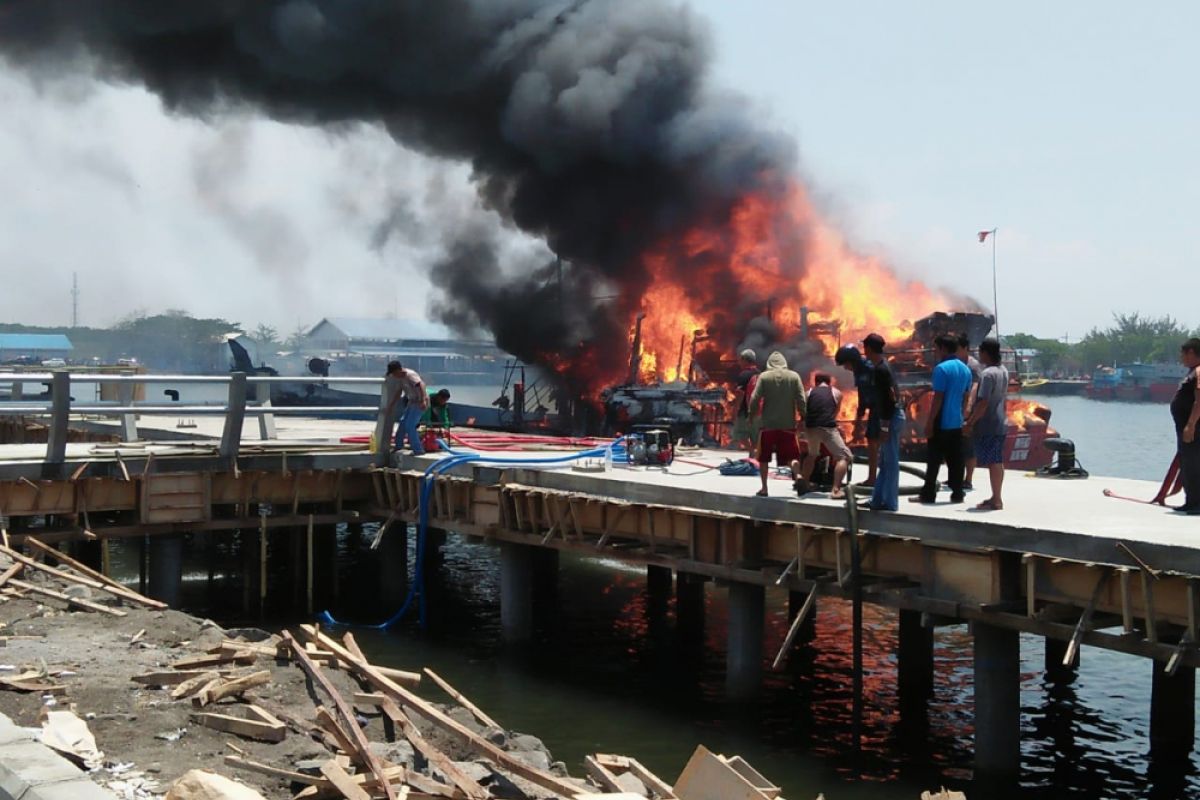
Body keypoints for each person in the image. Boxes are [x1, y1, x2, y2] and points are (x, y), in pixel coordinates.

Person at [912, 334, 973, 504]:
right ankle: (958, 493)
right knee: (956, 459)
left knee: (933, 459)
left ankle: (928, 494)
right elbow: (966, 397)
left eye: (936, 348)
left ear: (944, 349)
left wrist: (930, 422)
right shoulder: (965, 369)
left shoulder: (941, 369)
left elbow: (938, 397)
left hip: (941, 420)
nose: (935, 352)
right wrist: (962, 416)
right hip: (956, 421)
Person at [749, 351, 806, 497]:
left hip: (768, 426)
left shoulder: (764, 376)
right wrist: (804, 416)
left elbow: (755, 398)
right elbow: (801, 399)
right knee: (792, 456)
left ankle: (764, 488)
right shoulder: (794, 376)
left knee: (763, 458)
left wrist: (751, 414)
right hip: (788, 426)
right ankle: (798, 475)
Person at [964, 338, 1008, 510]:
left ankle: (996, 499)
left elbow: (983, 403)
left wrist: (970, 422)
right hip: (1000, 421)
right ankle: (995, 497)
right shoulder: (1003, 370)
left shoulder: (988, 374)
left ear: (985, 353)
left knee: (994, 462)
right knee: (996, 460)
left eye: (980, 351)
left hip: (989, 424)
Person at [864, 333, 904, 511]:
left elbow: (889, 398)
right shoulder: (884, 366)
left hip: (890, 418)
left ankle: (890, 503)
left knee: (891, 461)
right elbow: (896, 391)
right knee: (885, 461)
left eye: (865, 347)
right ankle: (877, 500)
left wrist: (885, 425)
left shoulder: (881, 370)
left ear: (869, 349)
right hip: (890, 416)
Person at [799, 373, 853, 499]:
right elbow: (834, 414)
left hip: (811, 428)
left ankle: (804, 483)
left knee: (812, 455)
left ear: (816, 382)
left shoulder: (808, 393)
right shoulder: (837, 393)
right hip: (827, 428)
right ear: (829, 382)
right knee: (844, 457)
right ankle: (836, 490)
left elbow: (804, 412)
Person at [835, 344, 878, 485]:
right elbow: (862, 396)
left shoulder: (868, 369)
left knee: (875, 444)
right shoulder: (859, 370)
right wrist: (859, 420)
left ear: (851, 361)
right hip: (874, 410)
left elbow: (871, 394)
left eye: (845, 365)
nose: (845, 368)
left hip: (881, 410)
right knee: (872, 443)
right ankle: (873, 478)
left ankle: (873, 479)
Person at [1171, 338, 1200, 514]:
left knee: (1195, 464)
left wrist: (1190, 425)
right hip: (1185, 429)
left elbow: (1199, 401)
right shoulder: (1192, 372)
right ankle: (1190, 501)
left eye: (1183, 354)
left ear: (1191, 353)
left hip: (1195, 429)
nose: (1181, 358)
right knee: (1187, 465)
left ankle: (1197, 503)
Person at [956, 333, 983, 491]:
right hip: (956, 410)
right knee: (956, 446)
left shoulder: (972, 366)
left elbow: (974, 388)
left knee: (968, 446)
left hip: (968, 412)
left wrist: (968, 409)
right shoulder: (957, 364)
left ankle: (968, 479)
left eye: (958, 349)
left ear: (965, 348)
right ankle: (956, 476)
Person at [384, 360, 428, 455]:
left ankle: (418, 449)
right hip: (411, 402)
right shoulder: (400, 378)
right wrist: (391, 405)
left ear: (399, 370)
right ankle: (398, 446)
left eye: (394, 373)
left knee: (410, 425)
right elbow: (399, 392)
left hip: (419, 402)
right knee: (403, 423)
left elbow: (421, 385)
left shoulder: (410, 375)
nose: (394, 376)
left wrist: (423, 400)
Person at [730, 349, 761, 452]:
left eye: (740, 360)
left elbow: (740, 395)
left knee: (738, 434)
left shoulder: (744, 375)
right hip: (759, 411)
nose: (739, 362)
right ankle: (755, 457)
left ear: (745, 360)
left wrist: (735, 411)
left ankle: (752, 451)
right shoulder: (760, 374)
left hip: (745, 412)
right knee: (755, 437)